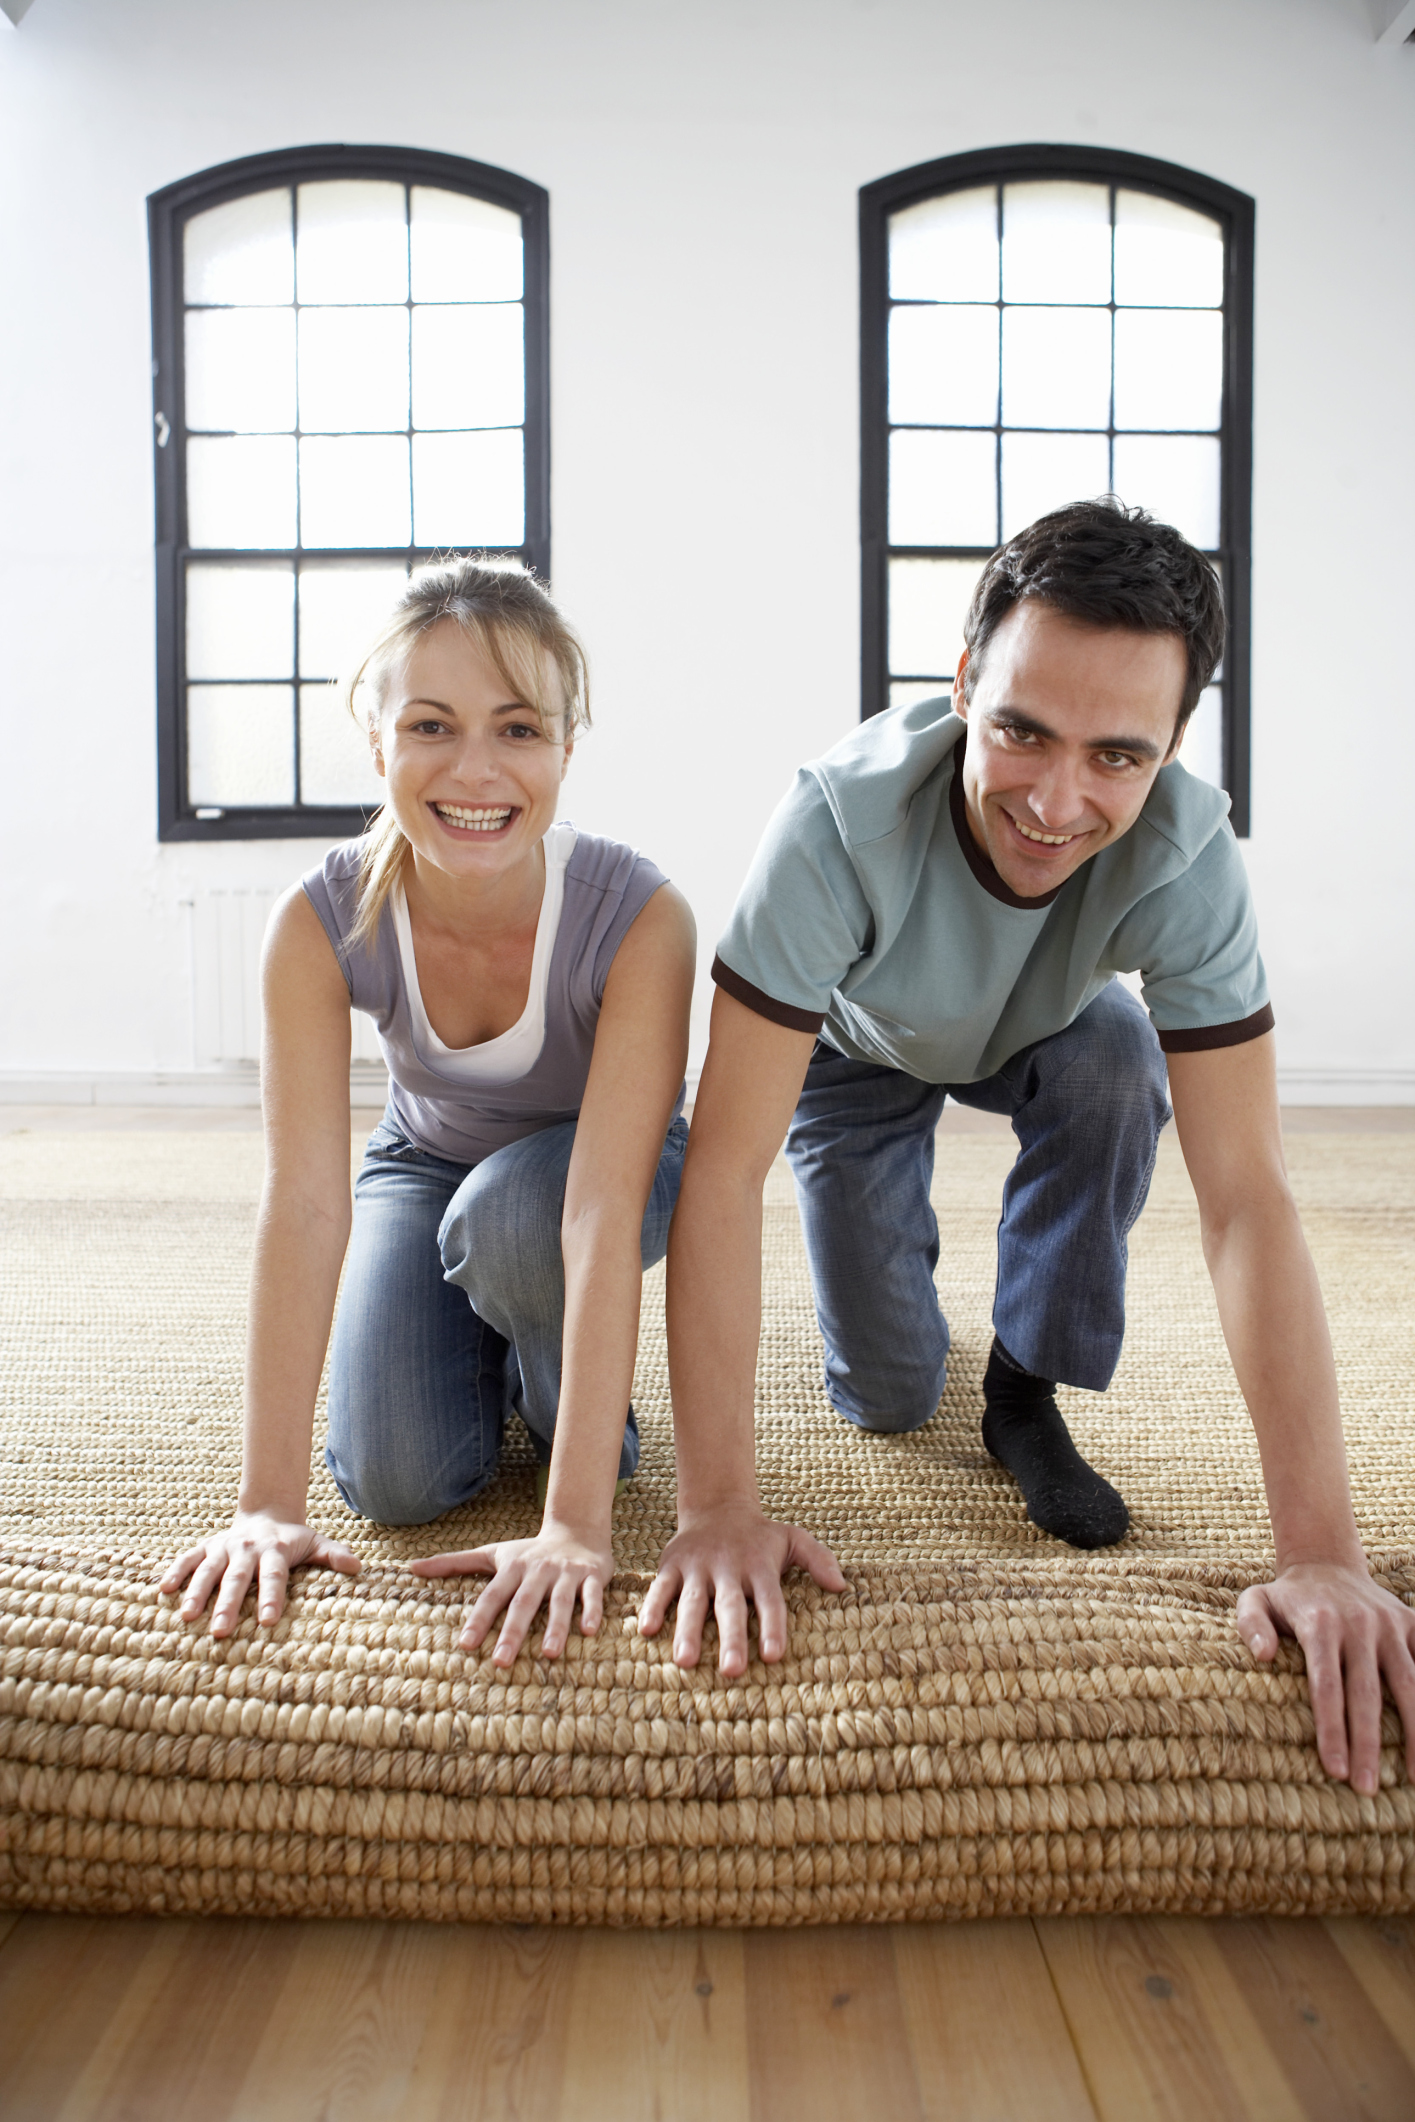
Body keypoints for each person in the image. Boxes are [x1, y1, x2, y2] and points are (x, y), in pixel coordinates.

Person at [639, 499, 1415, 1799]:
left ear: (1170, 747)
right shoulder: (832, 825)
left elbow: (1245, 1199)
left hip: (1045, 1029)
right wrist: (715, 1505)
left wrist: (1322, 1552)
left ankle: (1021, 1389)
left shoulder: (1186, 856)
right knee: (886, 1396)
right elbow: (719, 1170)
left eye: (1115, 755)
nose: (1055, 802)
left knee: (1116, 1053)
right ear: (960, 684)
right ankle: (909, 1354)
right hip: (856, 1053)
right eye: (1019, 732)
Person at [161, 559, 695, 1667]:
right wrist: (266, 1501)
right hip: (425, 1161)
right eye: (430, 726)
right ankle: (489, 1329)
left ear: (565, 747)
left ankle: (566, 1402)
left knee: (511, 1222)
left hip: (596, 1171)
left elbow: (599, 1208)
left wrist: (574, 1523)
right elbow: (305, 1202)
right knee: (393, 1483)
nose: (475, 769)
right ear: (378, 745)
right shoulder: (319, 919)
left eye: (517, 729)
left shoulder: (639, 916)